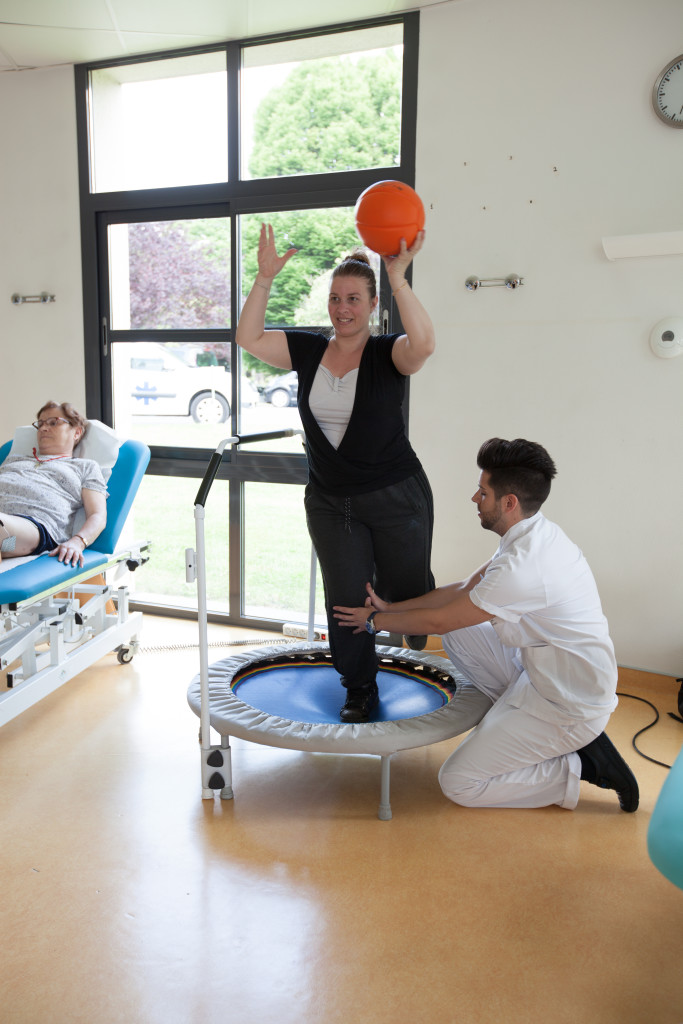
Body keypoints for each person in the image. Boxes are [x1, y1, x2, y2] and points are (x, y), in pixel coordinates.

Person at [333, 438, 639, 813]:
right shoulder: (531, 533)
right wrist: (391, 606)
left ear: (508, 503)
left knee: (459, 783)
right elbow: (463, 589)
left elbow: (441, 620)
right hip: (544, 676)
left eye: (483, 492)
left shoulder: (524, 567)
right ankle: (516, 723)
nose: (474, 498)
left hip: (570, 705)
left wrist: (374, 621)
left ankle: (580, 765)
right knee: (462, 632)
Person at [235, 222, 436, 723]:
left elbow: (425, 345)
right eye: (334, 298)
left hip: (395, 495)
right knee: (346, 599)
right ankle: (360, 687)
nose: (342, 308)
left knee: (404, 590)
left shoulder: (389, 353)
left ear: (371, 305)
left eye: (353, 299)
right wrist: (263, 280)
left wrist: (399, 278)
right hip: (331, 500)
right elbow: (248, 337)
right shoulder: (307, 351)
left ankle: (414, 607)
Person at [0, 401, 107, 569]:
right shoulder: (14, 459)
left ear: (77, 432)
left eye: (53, 422)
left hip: (32, 527)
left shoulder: (85, 467)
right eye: (40, 424)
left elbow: (98, 515)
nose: (43, 428)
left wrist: (78, 542)